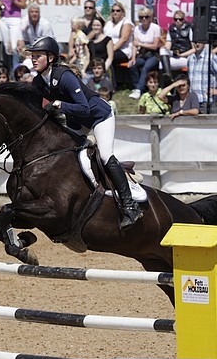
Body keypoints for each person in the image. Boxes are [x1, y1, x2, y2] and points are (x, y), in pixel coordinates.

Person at [26, 36, 142, 229]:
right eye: (33, 55)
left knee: (105, 156)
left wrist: (60, 104)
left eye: (38, 55)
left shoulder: (64, 76)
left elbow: (84, 108)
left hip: (98, 115)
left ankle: (130, 205)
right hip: (77, 120)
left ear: (51, 57)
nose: (33, 59)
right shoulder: (39, 82)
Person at [127, 7, 161, 100]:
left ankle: (139, 89)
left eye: (146, 17)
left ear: (150, 17)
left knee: (146, 67)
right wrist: (133, 58)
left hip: (154, 55)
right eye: (141, 17)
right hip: (142, 54)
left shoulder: (155, 28)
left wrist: (140, 44)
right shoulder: (137, 28)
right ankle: (136, 87)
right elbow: (135, 45)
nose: (144, 19)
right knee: (132, 65)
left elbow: (155, 46)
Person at [186, 39, 217, 114]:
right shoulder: (190, 58)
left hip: (208, 100)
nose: (197, 44)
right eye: (195, 42)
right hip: (193, 102)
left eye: (200, 42)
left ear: (204, 43)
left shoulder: (211, 57)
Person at [0, 0, 27, 70]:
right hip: (3, 18)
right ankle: (8, 68)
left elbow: (23, 5)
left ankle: (15, 69)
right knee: (7, 46)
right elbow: (0, 3)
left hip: (15, 18)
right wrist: (0, 5)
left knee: (14, 46)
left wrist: (14, 0)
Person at [158, 11, 193, 87]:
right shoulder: (171, 28)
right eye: (175, 19)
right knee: (162, 51)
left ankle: (167, 84)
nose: (178, 21)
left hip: (186, 57)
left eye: (180, 19)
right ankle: (168, 77)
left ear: (184, 19)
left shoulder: (189, 29)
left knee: (161, 64)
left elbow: (194, 49)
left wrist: (182, 54)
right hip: (175, 54)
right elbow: (168, 43)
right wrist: (166, 48)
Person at [104, 2, 134, 74]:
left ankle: (110, 78)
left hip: (123, 50)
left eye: (118, 11)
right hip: (108, 48)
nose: (115, 12)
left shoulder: (126, 22)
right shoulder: (108, 23)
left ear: (122, 12)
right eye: (113, 10)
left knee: (105, 56)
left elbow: (124, 39)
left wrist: (111, 50)